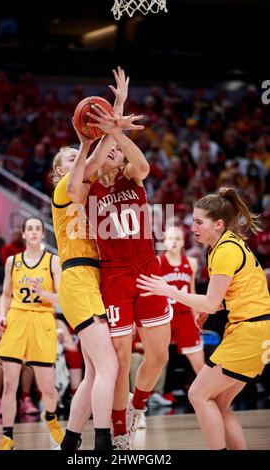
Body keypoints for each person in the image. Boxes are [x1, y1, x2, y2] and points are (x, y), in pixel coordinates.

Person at [137, 187, 270, 450]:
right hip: (257, 330)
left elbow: (210, 299)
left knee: (197, 394)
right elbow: (233, 294)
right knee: (219, 404)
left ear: (218, 224)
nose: (193, 227)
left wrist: (169, 291)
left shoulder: (225, 251)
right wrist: (212, 309)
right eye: (193, 221)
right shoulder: (224, 245)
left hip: (250, 332)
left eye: (199, 222)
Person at [51, 67, 133, 451]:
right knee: (111, 367)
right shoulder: (64, 192)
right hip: (77, 280)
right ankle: (102, 445)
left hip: (92, 280)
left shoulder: (86, 183)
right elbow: (90, 159)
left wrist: (115, 109)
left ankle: (69, 444)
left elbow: (104, 156)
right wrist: (84, 143)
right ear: (58, 173)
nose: (75, 163)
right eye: (67, 161)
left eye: (75, 158)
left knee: (93, 373)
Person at [87, 104, 171, 449]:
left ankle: (139, 403)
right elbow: (86, 167)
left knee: (159, 356)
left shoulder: (133, 177)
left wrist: (117, 130)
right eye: (110, 148)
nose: (116, 151)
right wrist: (105, 133)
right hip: (115, 274)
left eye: (120, 150)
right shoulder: (88, 184)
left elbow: (146, 165)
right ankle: (119, 427)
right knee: (121, 357)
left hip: (147, 267)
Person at [0, 217, 63, 450]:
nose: (34, 232)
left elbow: (63, 298)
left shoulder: (53, 261)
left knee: (47, 388)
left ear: (43, 234)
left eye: (38, 229)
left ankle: (51, 418)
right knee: (9, 384)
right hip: (17, 319)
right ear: (23, 234)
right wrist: (2, 314)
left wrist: (44, 293)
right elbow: (5, 294)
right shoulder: (12, 262)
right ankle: (7, 437)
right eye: (29, 229)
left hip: (42, 319)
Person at [159, 226, 205, 374]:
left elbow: (192, 292)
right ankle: (148, 396)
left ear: (183, 242)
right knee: (155, 361)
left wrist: (197, 319)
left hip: (185, 316)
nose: (174, 242)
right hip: (165, 317)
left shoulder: (191, 262)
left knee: (200, 366)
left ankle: (209, 394)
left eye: (177, 239)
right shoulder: (157, 262)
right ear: (164, 242)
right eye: (170, 238)